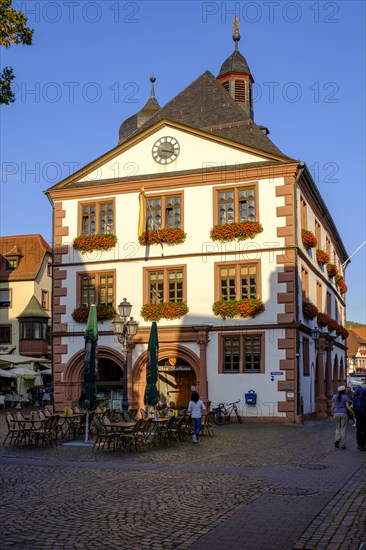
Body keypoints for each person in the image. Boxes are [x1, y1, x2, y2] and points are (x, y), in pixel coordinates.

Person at [331, 385, 354, 449]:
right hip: (344, 413)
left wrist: (332, 414)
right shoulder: (345, 397)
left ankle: (336, 439)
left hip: (336, 413)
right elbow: (348, 407)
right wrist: (352, 412)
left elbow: (332, 407)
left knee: (338, 428)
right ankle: (342, 444)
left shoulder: (334, 396)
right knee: (343, 429)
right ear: (344, 391)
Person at [352, 382, 366, 451]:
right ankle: (363, 445)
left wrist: (354, 412)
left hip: (357, 412)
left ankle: (359, 445)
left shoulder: (356, 392)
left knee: (358, 429)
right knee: (364, 429)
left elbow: (353, 403)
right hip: (364, 413)